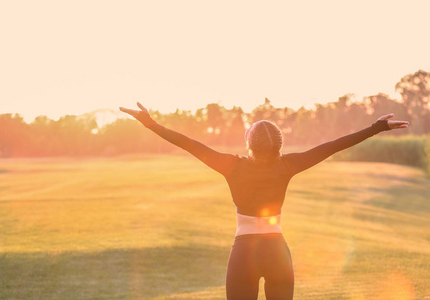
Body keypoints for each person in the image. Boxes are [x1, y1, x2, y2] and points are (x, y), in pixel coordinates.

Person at [119, 103, 409, 300]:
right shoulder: (288, 165)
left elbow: (188, 143)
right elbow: (331, 147)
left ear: (249, 143)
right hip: (277, 254)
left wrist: (150, 123)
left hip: (244, 253)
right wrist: (375, 128)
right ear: (279, 145)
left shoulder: (231, 165)